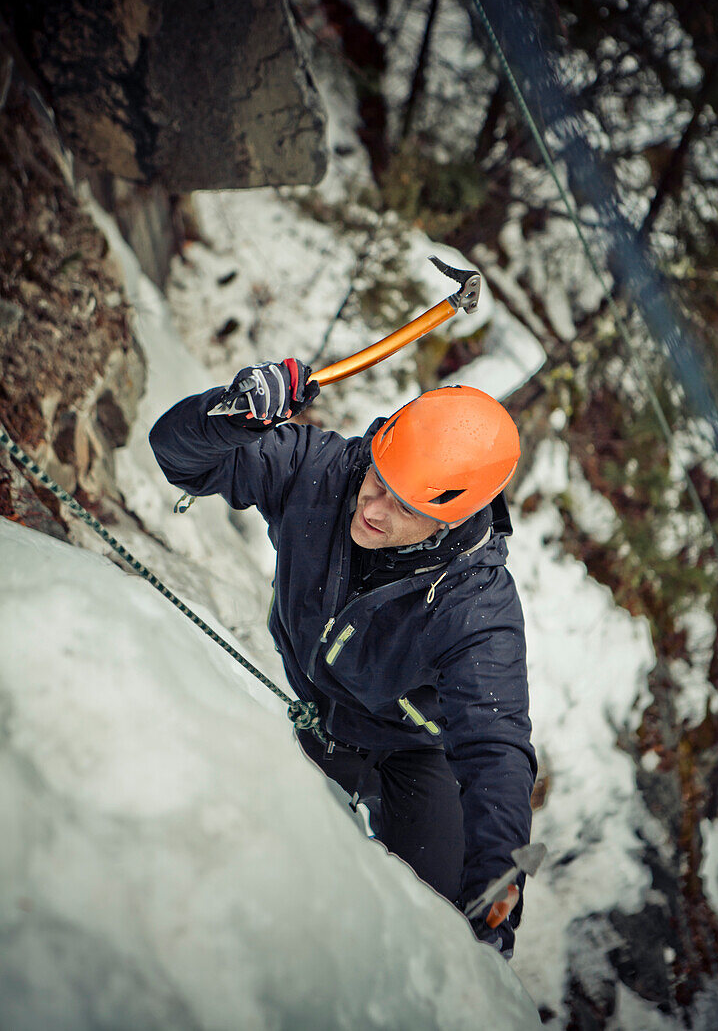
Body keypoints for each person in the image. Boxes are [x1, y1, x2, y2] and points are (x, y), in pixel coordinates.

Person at [149, 358, 536, 957]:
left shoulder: (477, 607)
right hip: (311, 704)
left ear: (451, 520)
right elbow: (181, 458)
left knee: (447, 928)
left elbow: (495, 747)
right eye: (378, 479)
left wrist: (500, 873)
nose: (373, 508)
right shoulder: (323, 472)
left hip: (411, 752)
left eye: (408, 508)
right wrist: (231, 417)